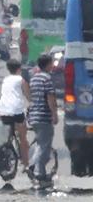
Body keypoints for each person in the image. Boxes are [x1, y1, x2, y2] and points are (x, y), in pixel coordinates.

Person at [28, 54, 59, 188]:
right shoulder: (47, 78)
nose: (53, 65)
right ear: (47, 65)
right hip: (43, 116)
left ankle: (39, 172)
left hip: (34, 116)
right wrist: (54, 114)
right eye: (52, 63)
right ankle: (35, 169)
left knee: (41, 144)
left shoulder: (34, 78)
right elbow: (50, 97)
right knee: (44, 145)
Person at [0, 59, 31, 170]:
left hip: (4, 111)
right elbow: (28, 96)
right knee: (23, 138)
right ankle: (26, 165)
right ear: (19, 69)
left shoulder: (5, 80)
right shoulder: (21, 80)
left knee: (9, 134)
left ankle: (7, 148)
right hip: (17, 111)